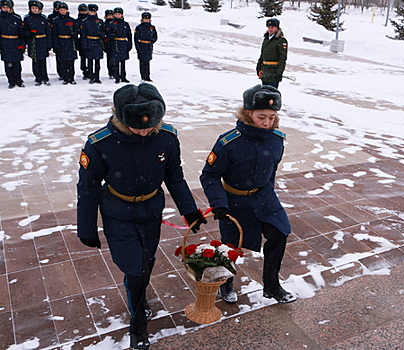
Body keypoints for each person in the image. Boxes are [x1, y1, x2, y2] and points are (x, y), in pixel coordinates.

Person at [77, 83, 206, 350]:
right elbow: (87, 188)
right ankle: (138, 329)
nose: (145, 131)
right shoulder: (100, 143)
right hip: (117, 213)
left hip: (150, 210)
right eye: (138, 127)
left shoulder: (167, 137)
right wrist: (86, 228)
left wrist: (189, 211)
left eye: (151, 125)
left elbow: (174, 176)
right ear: (122, 118)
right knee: (135, 269)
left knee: (146, 263)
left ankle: (137, 295)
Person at [200, 85, 296, 304]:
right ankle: (226, 284)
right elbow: (209, 175)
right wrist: (219, 203)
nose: (267, 122)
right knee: (230, 246)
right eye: (261, 116)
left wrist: (268, 193)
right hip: (234, 200)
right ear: (247, 113)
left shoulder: (277, 139)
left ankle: (272, 286)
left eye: (272, 117)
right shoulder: (229, 142)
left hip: (264, 198)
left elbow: (272, 170)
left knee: (279, 233)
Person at [24, 0, 51, 86]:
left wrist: (49, 44)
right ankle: (38, 78)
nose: (34, 10)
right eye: (33, 8)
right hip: (33, 41)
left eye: (36, 8)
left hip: (42, 41)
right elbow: (24, 31)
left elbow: (48, 32)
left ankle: (45, 77)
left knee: (43, 61)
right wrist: (30, 34)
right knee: (35, 60)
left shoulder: (44, 18)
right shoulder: (27, 19)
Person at [256, 18, 288, 89]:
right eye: (269, 27)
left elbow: (282, 58)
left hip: (273, 73)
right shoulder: (266, 39)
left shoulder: (281, 40)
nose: (270, 29)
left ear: (277, 28)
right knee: (263, 94)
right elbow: (262, 55)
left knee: (271, 95)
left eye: (272, 27)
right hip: (265, 72)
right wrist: (258, 68)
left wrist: (279, 73)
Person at [0, 0, 25, 89]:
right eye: (4, 8)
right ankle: (11, 81)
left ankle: (18, 80)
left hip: (16, 42)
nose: (6, 9)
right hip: (4, 42)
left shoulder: (17, 18)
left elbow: (21, 33)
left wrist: (22, 45)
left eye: (7, 8)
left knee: (17, 63)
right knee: (8, 63)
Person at [51, 2, 78, 84]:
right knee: (62, 62)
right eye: (61, 10)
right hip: (61, 42)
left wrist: (74, 35)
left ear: (67, 10)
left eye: (64, 10)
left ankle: (71, 77)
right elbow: (54, 34)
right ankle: (65, 77)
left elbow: (76, 31)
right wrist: (56, 45)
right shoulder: (55, 21)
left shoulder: (72, 20)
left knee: (71, 62)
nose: (62, 11)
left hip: (70, 42)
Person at [79, 3, 105, 83]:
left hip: (98, 43)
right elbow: (83, 34)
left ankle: (97, 77)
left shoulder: (100, 21)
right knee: (90, 61)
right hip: (89, 42)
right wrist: (85, 45)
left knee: (97, 62)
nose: (92, 13)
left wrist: (102, 35)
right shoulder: (85, 22)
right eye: (90, 12)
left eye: (93, 12)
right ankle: (91, 76)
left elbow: (104, 31)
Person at [107, 6, 131, 84]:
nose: (117, 15)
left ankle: (123, 76)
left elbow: (129, 35)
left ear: (122, 15)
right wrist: (112, 35)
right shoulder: (111, 24)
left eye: (119, 14)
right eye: (116, 14)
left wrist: (129, 44)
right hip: (115, 43)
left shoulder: (125, 24)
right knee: (116, 61)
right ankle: (116, 76)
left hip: (123, 43)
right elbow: (108, 35)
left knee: (123, 61)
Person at [133, 12, 156, 82]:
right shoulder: (139, 27)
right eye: (145, 19)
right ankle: (143, 76)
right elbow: (136, 38)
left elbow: (155, 36)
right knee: (142, 62)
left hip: (148, 45)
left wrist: (153, 40)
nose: (146, 20)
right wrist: (138, 47)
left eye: (147, 19)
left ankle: (147, 76)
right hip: (142, 45)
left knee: (147, 61)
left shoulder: (152, 27)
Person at [75, 3, 88, 80]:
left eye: (84, 11)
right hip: (81, 41)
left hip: (89, 41)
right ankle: (84, 71)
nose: (83, 12)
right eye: (81, 11)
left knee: (90, 58)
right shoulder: (77, 21)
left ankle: (90, 72)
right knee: (82, 58)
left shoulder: (89, 20)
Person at [103, 8, 114, 79]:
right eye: (108, 15)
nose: (110, 17)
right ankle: (110, 72)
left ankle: (115, 72)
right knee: (109, 59)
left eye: (111, 15)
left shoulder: (114, 24)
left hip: (114, 42)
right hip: (107, 43)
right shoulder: (104, 24)